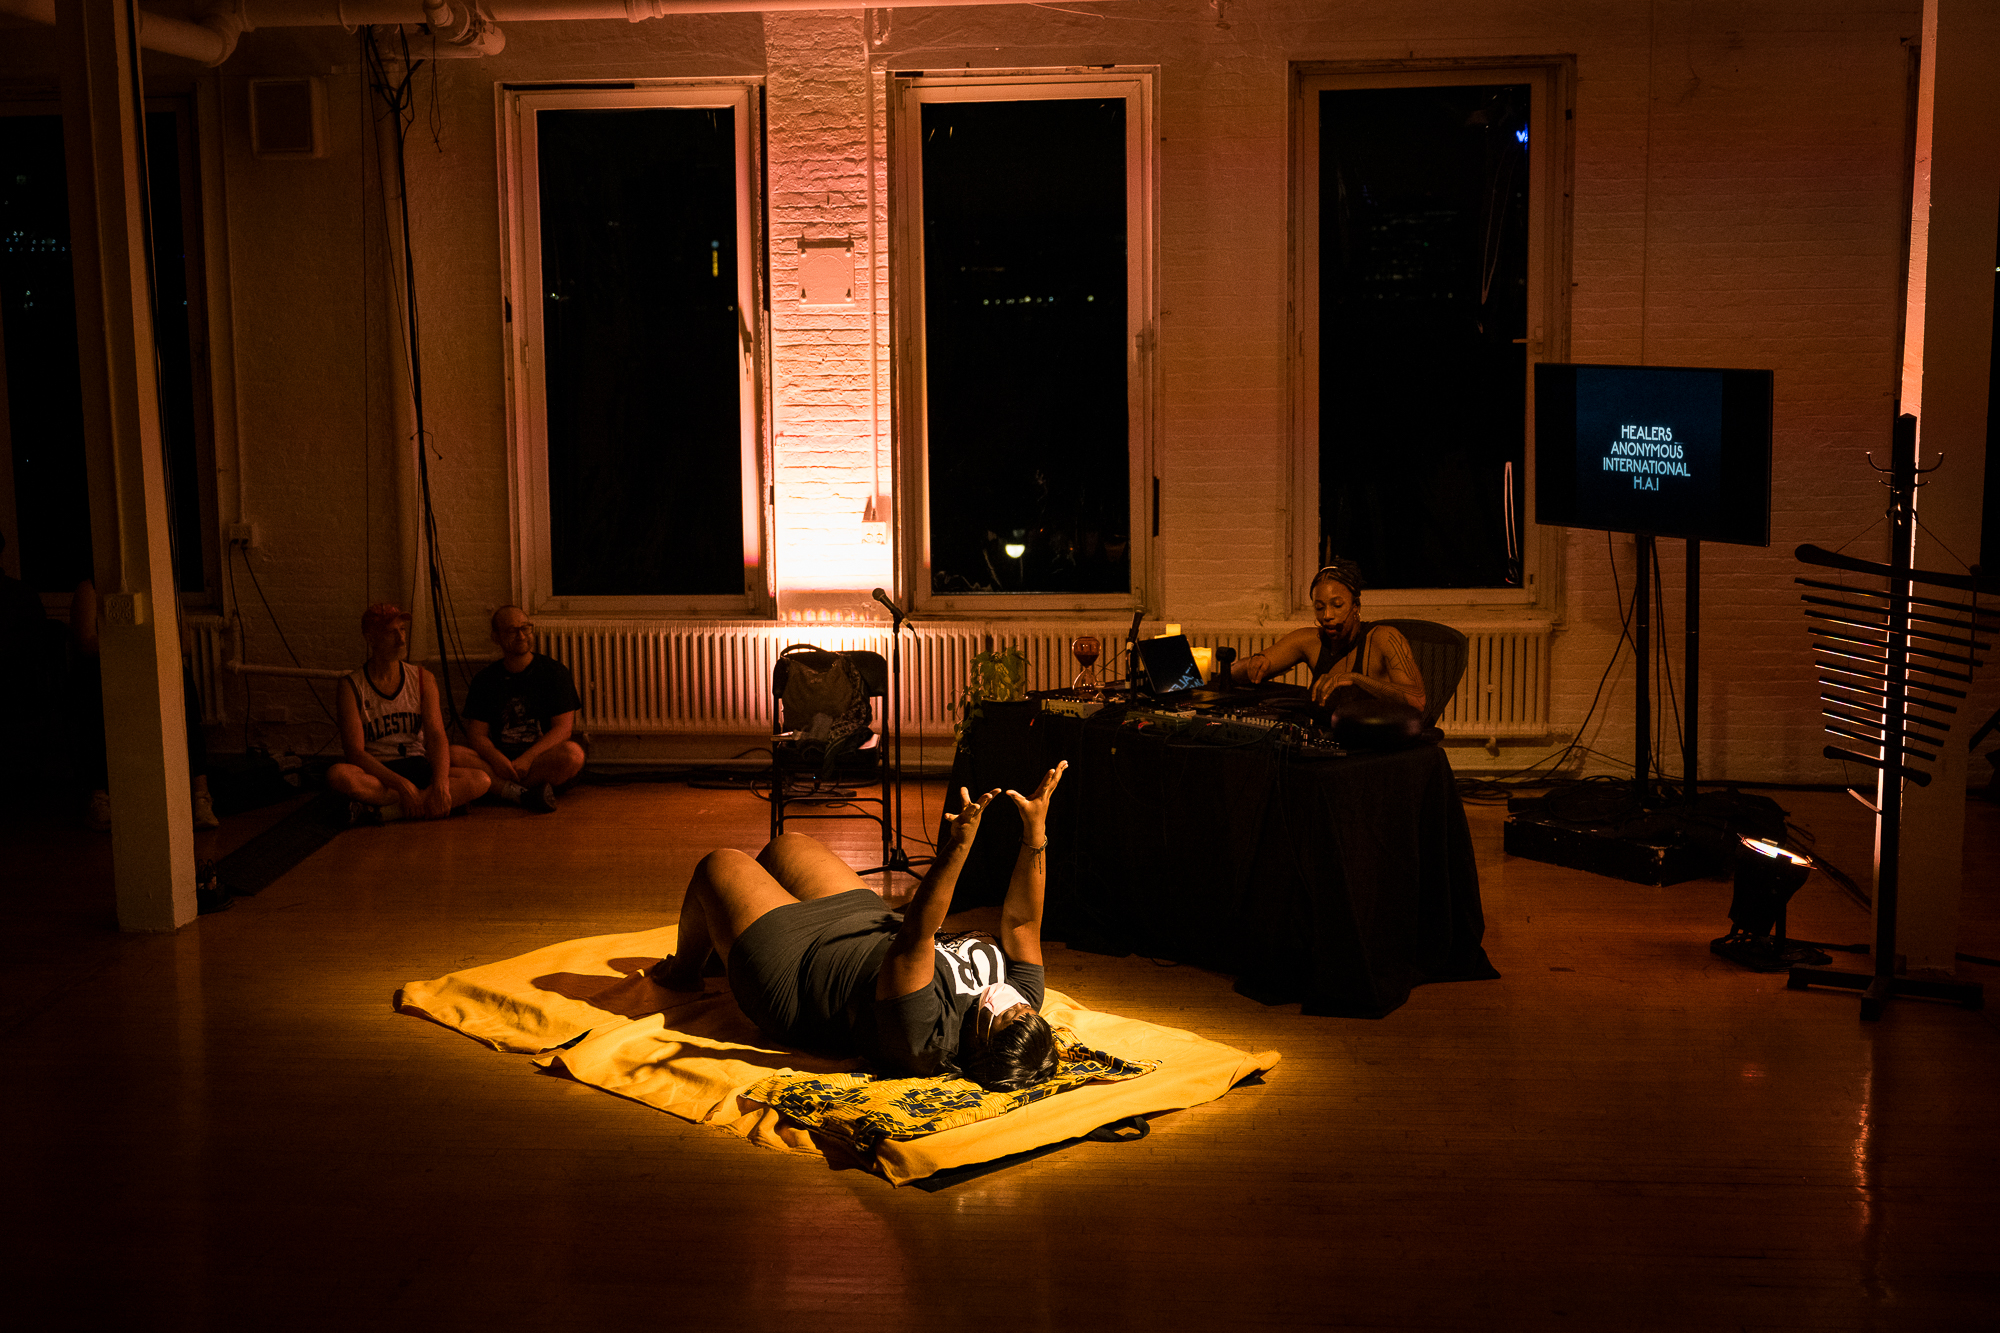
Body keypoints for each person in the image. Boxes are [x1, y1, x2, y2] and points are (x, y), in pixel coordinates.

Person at [655, 761, 1070, 1092]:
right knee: (788, 845)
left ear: (981, 1044)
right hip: (863, 924)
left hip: (797, 969)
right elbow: (1022, 924)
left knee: (720, 864)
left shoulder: (924, 1036)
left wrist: (958, 846)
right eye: (1026, 1011)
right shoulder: (1024, 1000)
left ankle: (684, 973)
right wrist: (1036, 831)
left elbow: (918, 933)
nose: (1017, 1003)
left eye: (1009, 1016)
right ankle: (725, 939)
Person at [328, 603, 490, 822]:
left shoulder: (423, 678)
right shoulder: (352, 685)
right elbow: (355, 752)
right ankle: (431, 804)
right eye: (391, 632)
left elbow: (436, 736)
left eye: (402, 630)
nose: (401, 639)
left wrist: (441, 784)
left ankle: (383, 813)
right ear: (370, 638)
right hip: (380, 773)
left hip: (417, 765)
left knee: (481, 780)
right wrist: (401, 784)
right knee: (339, 775)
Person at [1231, 559, 1426, 714]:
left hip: (1373, 743)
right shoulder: (1310, 641)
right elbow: (1234, 673)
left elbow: (1417, 700)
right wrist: (1255, 663)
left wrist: (1356, 679)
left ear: (1356, 606)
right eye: (1319, 607)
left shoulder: (1384, 638)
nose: (1327, 615)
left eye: (1337, 605)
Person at [458, 605, 585, 813]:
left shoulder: (554, 673)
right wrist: (496, 759)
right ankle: (524, 794)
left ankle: (502, 789)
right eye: (512, 630)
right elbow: (477, 735)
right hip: (501, 759)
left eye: (525, 628)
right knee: (453, 754)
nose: (521, 635)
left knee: (573, 755)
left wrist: (528, 758)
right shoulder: (485, 679)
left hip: (540, 759)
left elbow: (563, 729)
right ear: (496, 637)